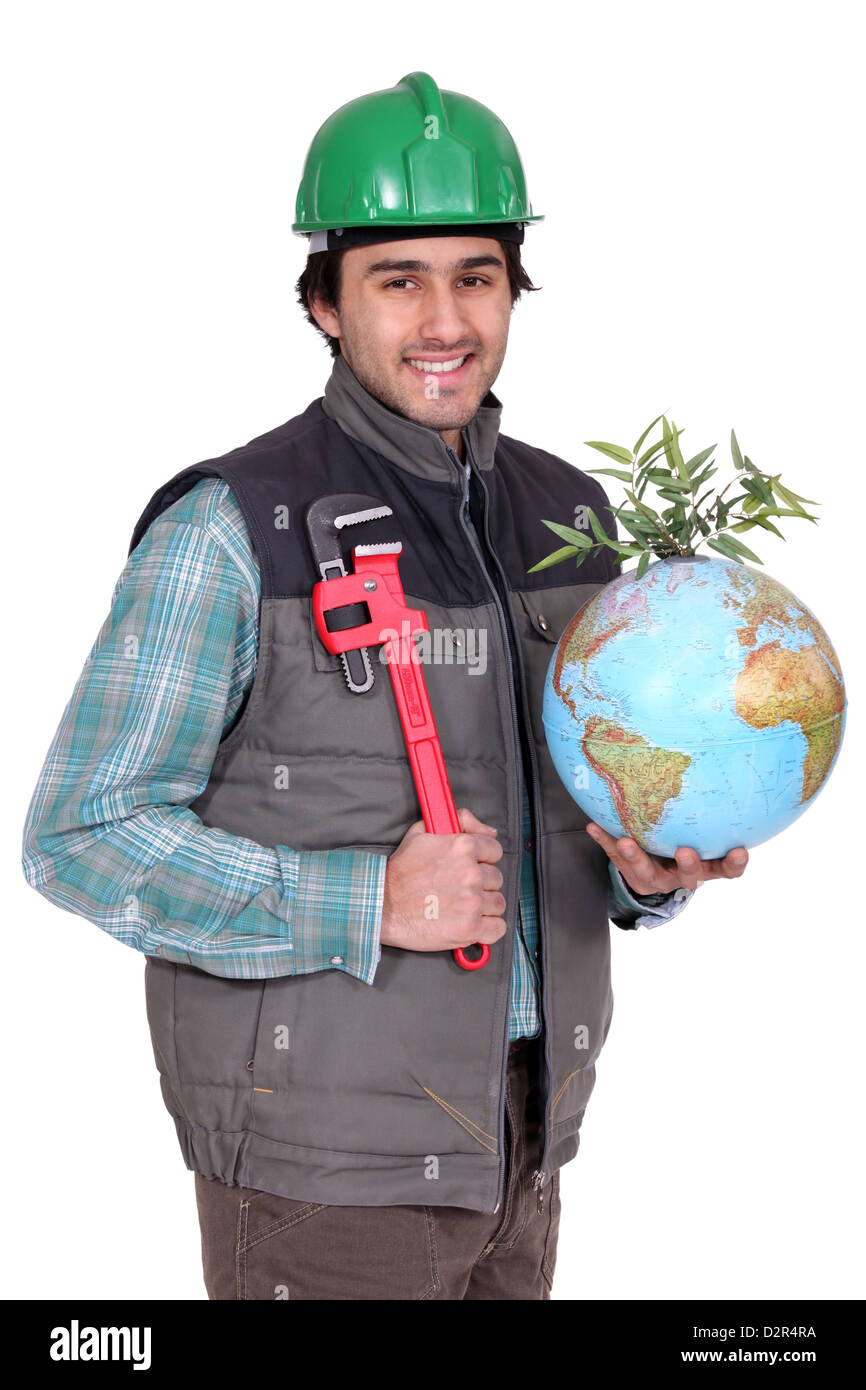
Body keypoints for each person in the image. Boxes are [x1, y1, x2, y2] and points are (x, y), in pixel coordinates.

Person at [22, 71, 749, 1301]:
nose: (442, 321)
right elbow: (79, 835)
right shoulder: (227, 530)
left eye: (474, 275)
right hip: (320, 1178)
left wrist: (639, 877)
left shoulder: (569, 517)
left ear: (514, 289)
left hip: (526, 1140)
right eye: (396, 279)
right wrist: (363, 901)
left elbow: (558, 811)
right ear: (321, 302)